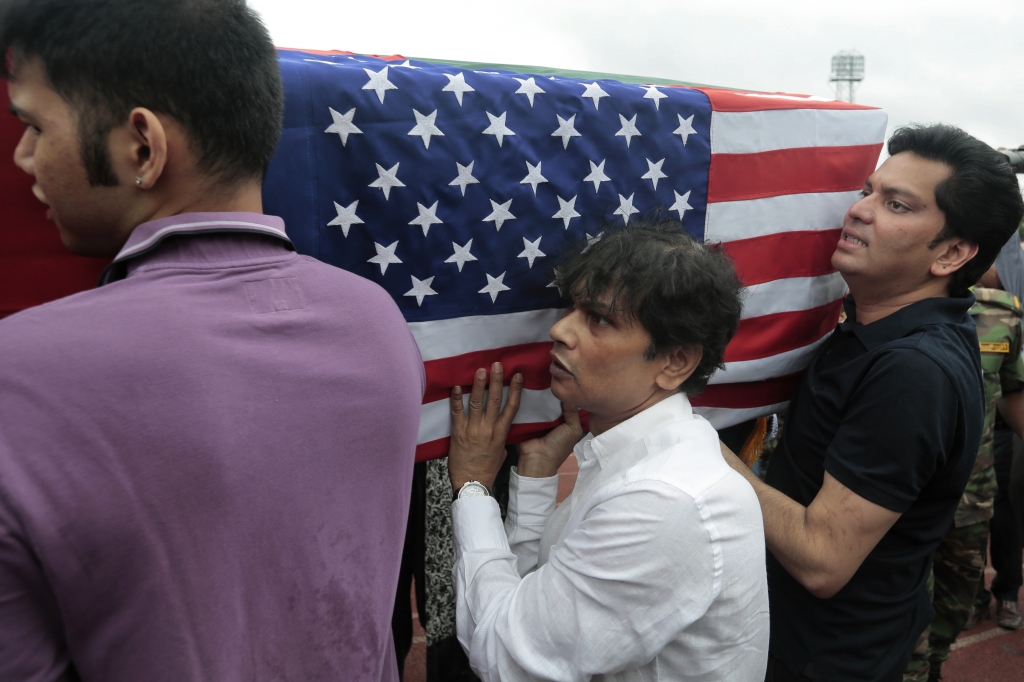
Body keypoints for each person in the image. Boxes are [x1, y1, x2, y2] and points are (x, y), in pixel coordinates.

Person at [0, 1, 423, 681]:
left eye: (34, 126)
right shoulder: (379, 323)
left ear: (143, 145)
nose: (23, 157)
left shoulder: (16, 375)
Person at [722, 124, 1024, 682]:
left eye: (897, 205)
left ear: (952, 253)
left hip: (823, 657)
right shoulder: (879, 330)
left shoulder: (913, 372)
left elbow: (822, 559)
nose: (859, 210)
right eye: (868, 191)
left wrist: (702, 449)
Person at [444, 219, 769, 681]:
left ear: (675, 361)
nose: (560, 329)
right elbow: (533, 597)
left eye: (599, 319)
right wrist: (536, 477)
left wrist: (473, 487)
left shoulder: (665, 498)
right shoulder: (636, 456)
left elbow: (505, 657)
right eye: (572, 309)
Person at [903, 282, 1024, 682]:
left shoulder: (1003, 314)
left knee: (955, 607)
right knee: (908, 616)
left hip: (973, 497)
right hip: (905, 502)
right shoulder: (889, 304)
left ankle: (934, 668)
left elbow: (1012, 396)